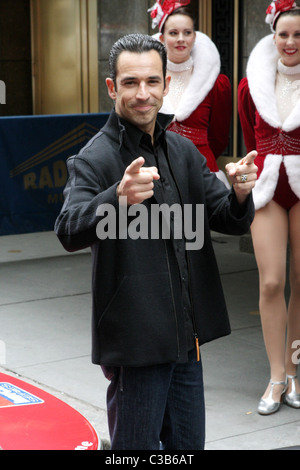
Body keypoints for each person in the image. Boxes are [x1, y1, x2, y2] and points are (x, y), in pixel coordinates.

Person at [55, 33, 257, 450]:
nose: (142, 94)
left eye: (151, 82)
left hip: (186, 338)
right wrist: (117, 196)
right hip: (135, 341)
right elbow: (68, 229)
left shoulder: (182, 152)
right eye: (130, 83)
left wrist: (239, 192)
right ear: (112, 87)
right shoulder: (94, 158)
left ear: (166, 84)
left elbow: (225, 216)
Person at [238, 0, 300, 416]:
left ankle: (294, 370)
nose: (291, 42)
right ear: (272, 36)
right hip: (267, 189)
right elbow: (249, 134)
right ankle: (276, 376)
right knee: (272, 283)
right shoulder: (250, 85)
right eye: (284, 34)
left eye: (298, 35)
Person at [148, 0, 232, 188]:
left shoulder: (215, 83)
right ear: (161, 38)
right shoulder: (148, 81)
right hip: (157, 170)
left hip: (203, 171)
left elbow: (219, 137)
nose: (181, 39)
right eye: (173, 33)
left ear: (195, 36)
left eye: (187, 32)